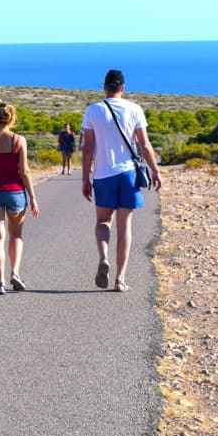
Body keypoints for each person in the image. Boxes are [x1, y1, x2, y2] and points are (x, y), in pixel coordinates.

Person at [80, 70, 162, 292]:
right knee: (125, 225)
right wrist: (155, 171)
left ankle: (103, 256)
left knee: (103, 222)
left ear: (104, 87)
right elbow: (144, 144)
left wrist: (85, 178)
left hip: (103, 175)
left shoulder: (93, 110)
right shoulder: (134, 109)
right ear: (123, 88)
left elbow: (87, 149)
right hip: (128, 174)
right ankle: (120, 279)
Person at [0, 102, 40, 294]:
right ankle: (15, 273)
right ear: (12, 118)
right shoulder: (19, 141)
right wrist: (33, 197)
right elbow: (25, 171)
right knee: (16, 234)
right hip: (16, 194)